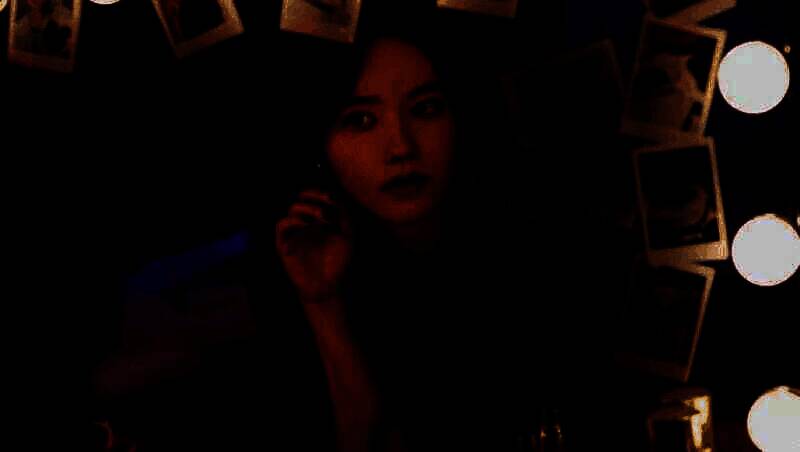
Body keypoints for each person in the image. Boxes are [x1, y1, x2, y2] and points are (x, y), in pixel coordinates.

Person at [266, 18, 569, 451]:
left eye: (425, 109)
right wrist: (322, 304)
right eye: (362, 120)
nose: (401, 147)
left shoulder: (537, 249)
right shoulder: (306, 272)